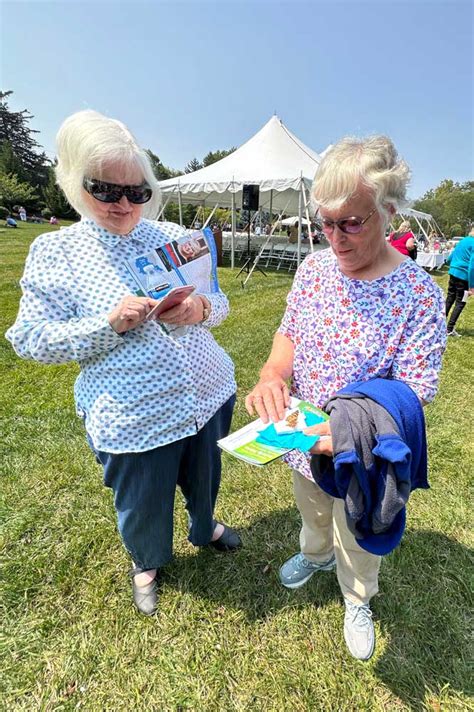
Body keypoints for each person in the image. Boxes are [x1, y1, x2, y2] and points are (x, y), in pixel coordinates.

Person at [6, 110, 241, 617]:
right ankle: (147, 561)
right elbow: (30, 339)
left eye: (136, 192)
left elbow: (219, 304)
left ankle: (206, 527)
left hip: (207, 391)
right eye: (106, 190)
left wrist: (201, 308)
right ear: (75, 183)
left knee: (205, 475)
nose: (123, 204)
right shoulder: (57, 251)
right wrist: (107, 326)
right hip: (133, 414)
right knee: (140, 496)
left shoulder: (173, 235)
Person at [245, 135, 446, 660]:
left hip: (363, 451)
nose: (334, 237)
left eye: (350, 223)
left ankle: (357, 596)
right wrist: (271, 374)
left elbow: (415, 389)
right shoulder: (313, 270)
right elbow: (288, 333)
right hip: (302, 438)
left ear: (389, 212)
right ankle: (314, 555)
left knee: (357, 531)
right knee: (311, 509)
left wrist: (349, 433)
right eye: (325, 223)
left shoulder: (418, 293)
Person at [445, 230, 474, 336]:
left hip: (453, 272)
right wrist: (472, 286)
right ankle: (449, 329)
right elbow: (472, 266)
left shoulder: (464, 240)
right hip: (463, 276)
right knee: (461, 302)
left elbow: (451, 256)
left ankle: (439, 324)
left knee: (450, 298)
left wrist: (448, 263)